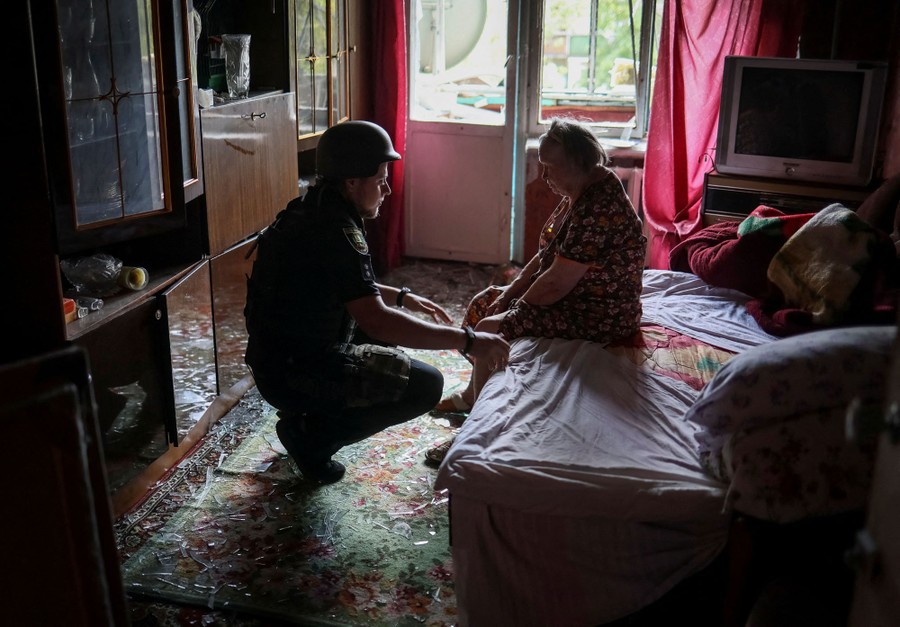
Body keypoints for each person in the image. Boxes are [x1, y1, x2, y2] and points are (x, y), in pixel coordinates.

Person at [244, 120, 510, 484]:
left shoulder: (317, 208)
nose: (386, 188)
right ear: (353, 181)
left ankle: (305, 416)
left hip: (280, 358)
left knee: (391, 350)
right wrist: (467, 340)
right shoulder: (338, 230)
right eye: (381, 177)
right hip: (292, 371)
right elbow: (376, 319)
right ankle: (310, 438)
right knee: (424, 385)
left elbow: (346, 286)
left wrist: (404, 296)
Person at [426, 117, 647, 464]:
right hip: (575, 295)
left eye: (549, 168)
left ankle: (473, 431)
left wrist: (511, 311)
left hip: (599, 313)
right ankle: (474, 394)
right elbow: (549, 256)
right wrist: (511, 289)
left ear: (578, 163)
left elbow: (555, 284)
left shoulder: (598, 208)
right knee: (485, 301)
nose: (544, 177)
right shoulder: (579, 190)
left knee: (488, 328)